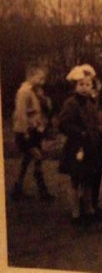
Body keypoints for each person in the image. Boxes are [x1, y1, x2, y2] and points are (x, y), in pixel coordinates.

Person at [58, 65, 102, 225]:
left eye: (88, 85)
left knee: (88, 178)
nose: (84, 88)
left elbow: (98, 122)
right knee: (75, 179)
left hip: (91, 147)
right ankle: (76, 212)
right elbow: (64, 124)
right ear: (75, 85)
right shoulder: (71, 103)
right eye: (81, 84)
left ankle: (88, 209)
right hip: (77, 146)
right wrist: (80, 133)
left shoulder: (91, 103)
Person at [11, 64, 54, 202]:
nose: (43, 81)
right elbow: (21, 113)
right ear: (31, 76)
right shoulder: (24, 91)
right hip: (25, 132)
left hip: (34, 131)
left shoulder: (35, 91)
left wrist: (44, 100)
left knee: (27, 159)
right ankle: (43, 191)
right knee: (37, 157)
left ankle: (17, 188)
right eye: (40, 78)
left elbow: (39, 110)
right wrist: (23, 132)